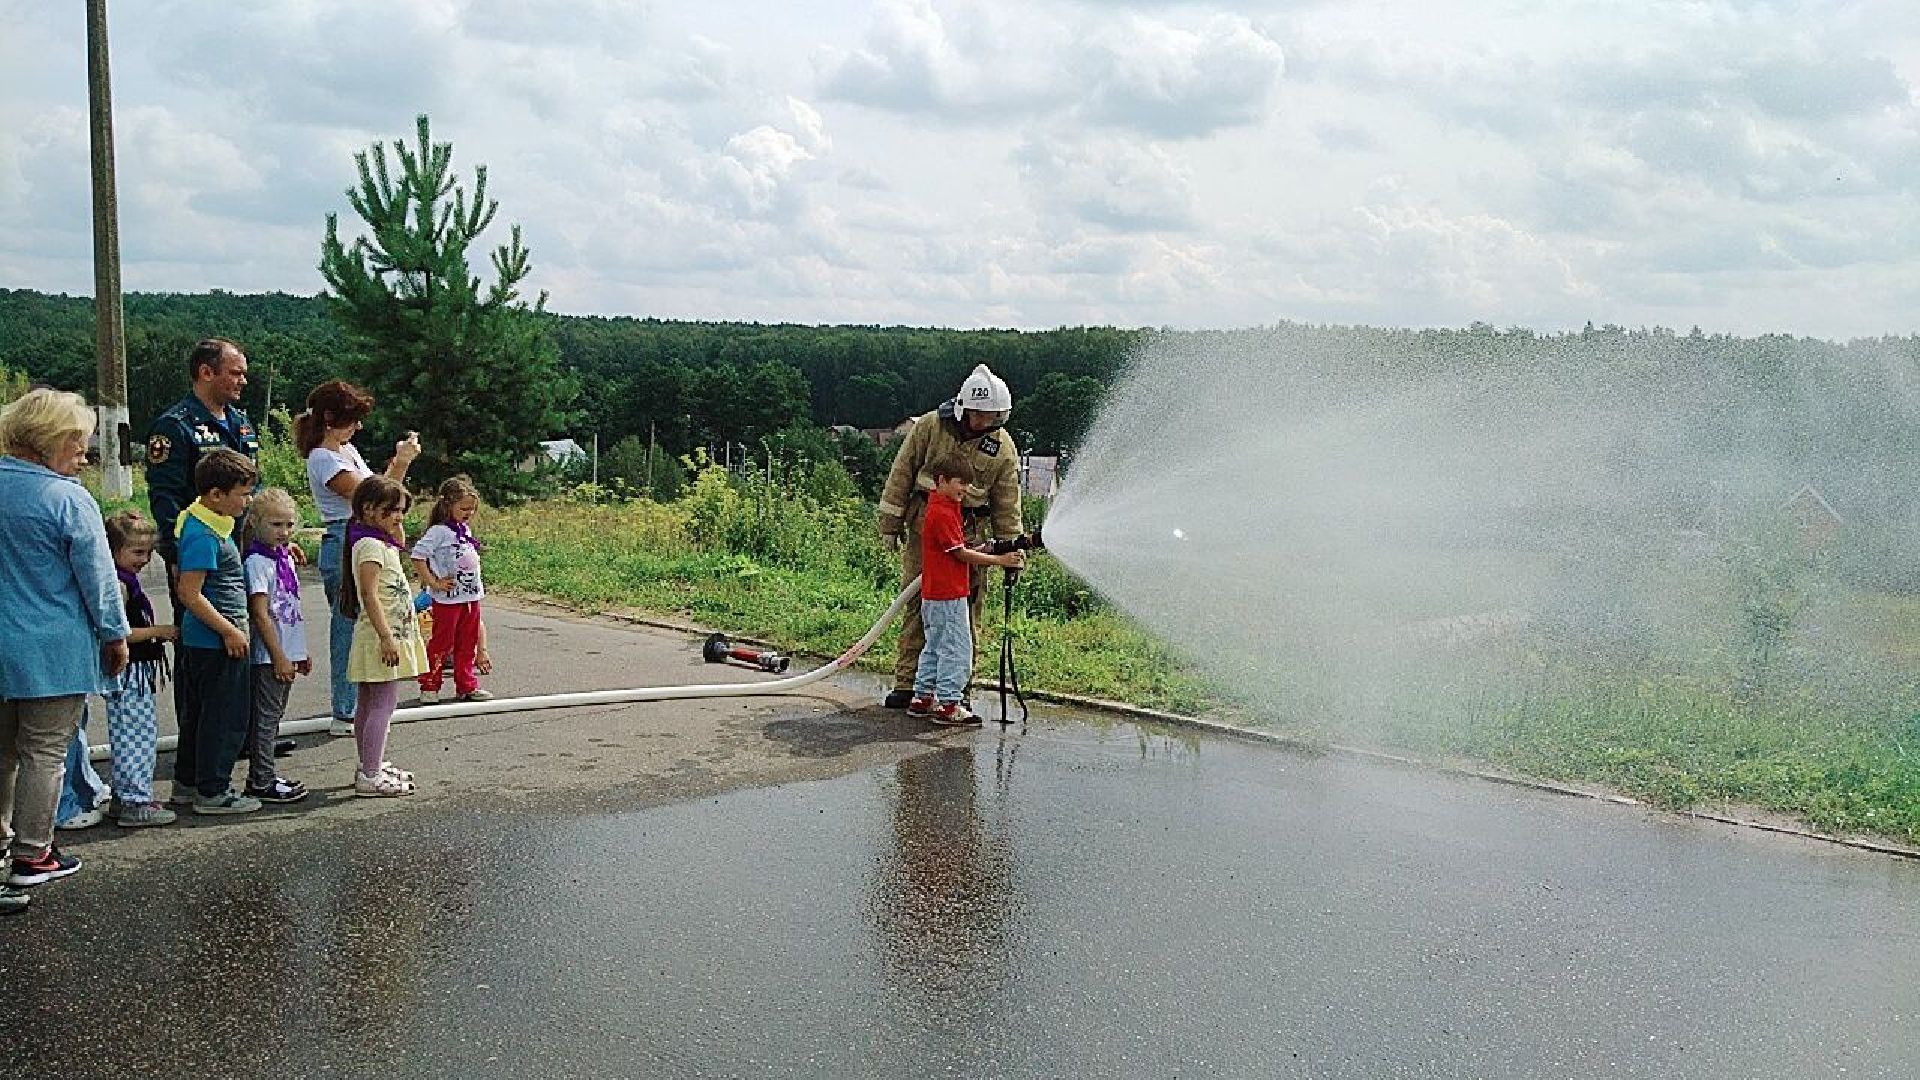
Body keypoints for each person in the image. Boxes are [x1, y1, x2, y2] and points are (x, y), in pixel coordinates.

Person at [0, 389, 130, 911]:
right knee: (44, 752)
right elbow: (99, 580)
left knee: (2, 753)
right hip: (53, 649)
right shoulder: (67, 499)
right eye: (76, 441)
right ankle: (34, 854)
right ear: (47, 441)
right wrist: (115, 635)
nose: (83, 453)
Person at [876, 364, 1024, 709]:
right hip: (925, 530)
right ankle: (909, 684)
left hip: (969, 533)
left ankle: (957, 692)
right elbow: (901, 473)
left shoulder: (1002, 447)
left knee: (965, 615)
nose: (984, 422)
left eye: (992, 416)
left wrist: (1012, 549)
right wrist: (889, 525)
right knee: (918, 605)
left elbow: (1007, 503)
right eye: (979, 414)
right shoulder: (930, 427)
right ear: (963, 408)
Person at [296, 380, 419, 736]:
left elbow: (381, 493)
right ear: (330, 418)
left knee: (367, 621)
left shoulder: (346, 450)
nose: (358, 426)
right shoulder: (323, 458)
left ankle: (362, 704)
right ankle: (345, 710)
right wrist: (402, 462)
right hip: (344, 538)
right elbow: (374, 499)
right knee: (349, 624)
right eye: (352, 419)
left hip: (363, 537)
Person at [168, 447, 262, 815]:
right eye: (242, 493)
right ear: (216, 494)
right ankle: (213, 791)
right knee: (223, 719)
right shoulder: (203, 533)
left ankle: (188, 783)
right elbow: (189, 592)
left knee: (199, 716)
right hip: (215, 642)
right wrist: (229, 631)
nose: (247, 501)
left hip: (207, 640)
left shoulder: (204, 522)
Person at [145, 338, 260, 622]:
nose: (243, 381)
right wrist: (177, 555)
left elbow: (254, 487)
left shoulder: (241, 423)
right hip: (200, 555)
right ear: (206, 372)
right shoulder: (175, 426)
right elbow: (166, 497)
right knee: (202, 638)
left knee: (240, 632)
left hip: (239, 549)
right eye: (236, 373)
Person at [907, 454, 1025, 725]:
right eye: (961, 483)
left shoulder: (941, 507)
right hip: (949, 594)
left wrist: (986, 549)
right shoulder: (943, 513)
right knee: (957, 649)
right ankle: (949, 704)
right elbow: (960, 554)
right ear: (942, 480)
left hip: (934, 594)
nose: (966, 489)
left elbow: (953, 550)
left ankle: (922, 697)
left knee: (934, 646)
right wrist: (1001, 561)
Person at [341, 475, 427, 797]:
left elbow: (400, 543)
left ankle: (370, 763)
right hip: (381, 636)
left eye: (402, 511)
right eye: (392, 510)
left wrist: (395, 526)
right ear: (368, 509)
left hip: (383, 634)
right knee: (383, 704)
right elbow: (369, 594)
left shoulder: (377, 541)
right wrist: (387, 637)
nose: (398, 517)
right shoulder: (370, 546)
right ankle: (371, 775)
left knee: (369, 702)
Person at [101, 510, 180, 827]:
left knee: (136, 733)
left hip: (137, 670)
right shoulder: (119, 586)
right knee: (136, 736)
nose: (144, 560)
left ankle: (124, 797)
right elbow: (119, 632)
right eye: (137, 552)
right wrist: (161, 631)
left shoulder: (126, 581)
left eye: (148, 552)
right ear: (113, 550)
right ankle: (135, 800)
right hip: (129, 669)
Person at [241, 488, 311, 805]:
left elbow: (290, 609)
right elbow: (260, 613)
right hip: (269, 655)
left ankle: (265, 774)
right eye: (275, 524)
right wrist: (279, 655)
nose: (283, 532)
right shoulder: (258, 562)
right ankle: (261, 780)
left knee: (275, 716)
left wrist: (299, 652)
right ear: (256, 522)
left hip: (286, 652)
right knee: (266, 719)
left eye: (288, 524)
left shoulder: (282, 558)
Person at [411, 476, 493, 704]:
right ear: (448, 505)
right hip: (448, 599)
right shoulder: (438, 532)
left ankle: (466, 685)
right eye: (464, 508)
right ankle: (430, 685)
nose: (469, 513)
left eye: (472, 509)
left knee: (467, 642)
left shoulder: (464, 529)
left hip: (470, 596)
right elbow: (418, 556)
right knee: (442, 643)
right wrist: (433, 582)